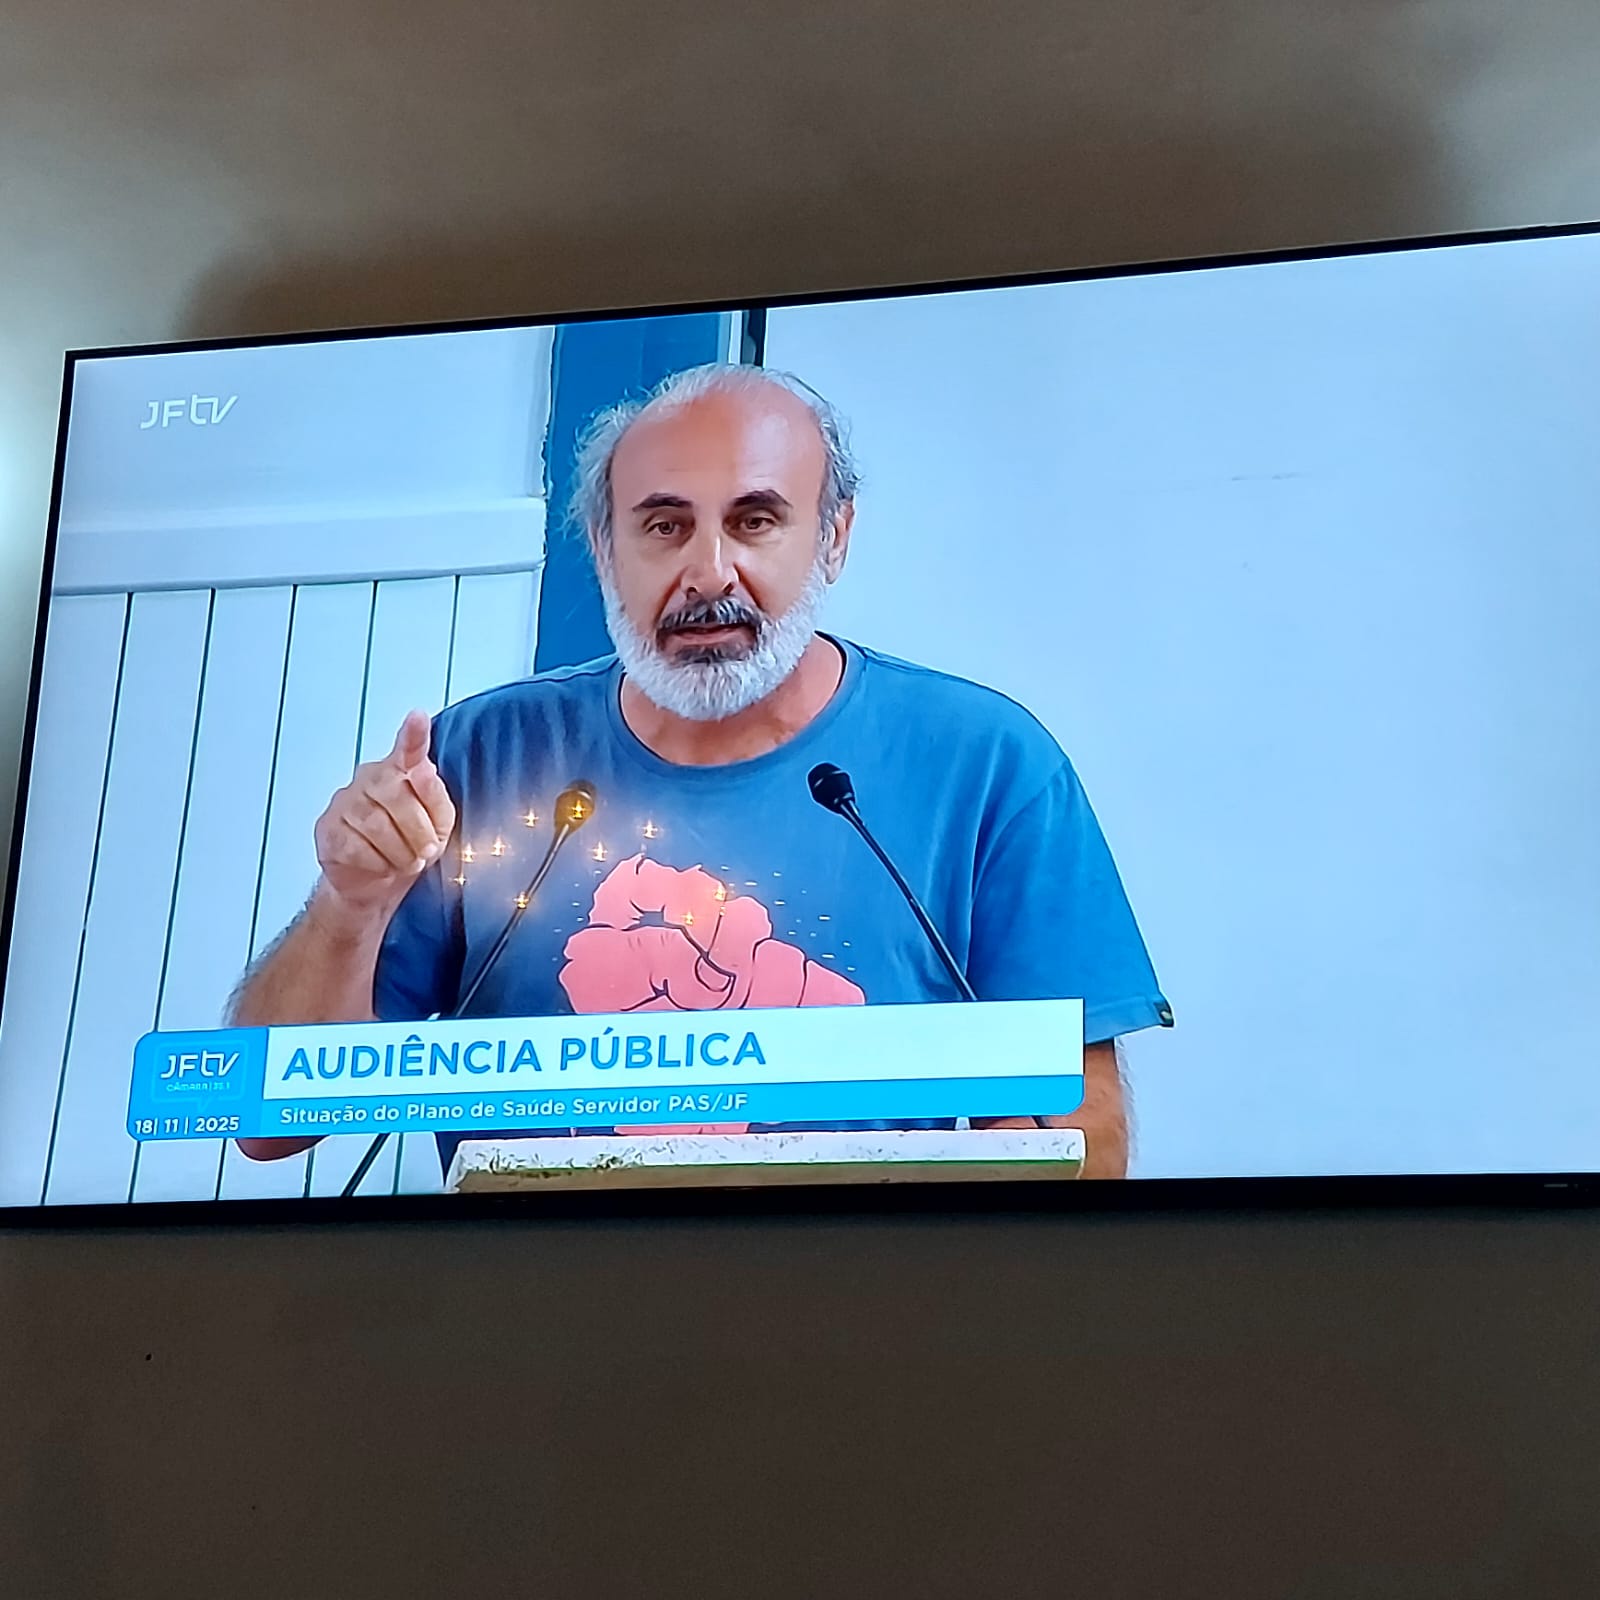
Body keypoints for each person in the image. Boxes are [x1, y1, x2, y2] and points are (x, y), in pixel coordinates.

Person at [231, 363, 1170, 1179]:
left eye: (755, 522)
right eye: (664, 527)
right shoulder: (478, 761)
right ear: (605, 550)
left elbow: (1082, 1140)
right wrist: (348, 907)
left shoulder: (987, 764)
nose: (710, 572)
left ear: (834, 538)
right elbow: (266, 1126)